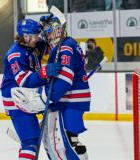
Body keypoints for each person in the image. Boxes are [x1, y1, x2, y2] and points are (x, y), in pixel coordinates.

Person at [11, 15, 90, 159]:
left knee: (63, 144)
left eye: (48, 33)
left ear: (56, 31)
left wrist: (45, 96)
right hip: (70, 100)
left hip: (70, 101)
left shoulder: (65, 47)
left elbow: (65, 80)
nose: (46, 37)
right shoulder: (66, 44)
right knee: (69, 141)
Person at [0, 19, 61, 159]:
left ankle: (29, 134)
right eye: (35, 35)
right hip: (17, 100)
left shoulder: (34, 45)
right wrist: (45, 72)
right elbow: (24, 81)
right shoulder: (15, 54)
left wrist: (48, 24)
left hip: (31, 96)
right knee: (31, 143)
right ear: (25, 37)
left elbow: (52, 46)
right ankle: (27, 139)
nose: (37, 38)